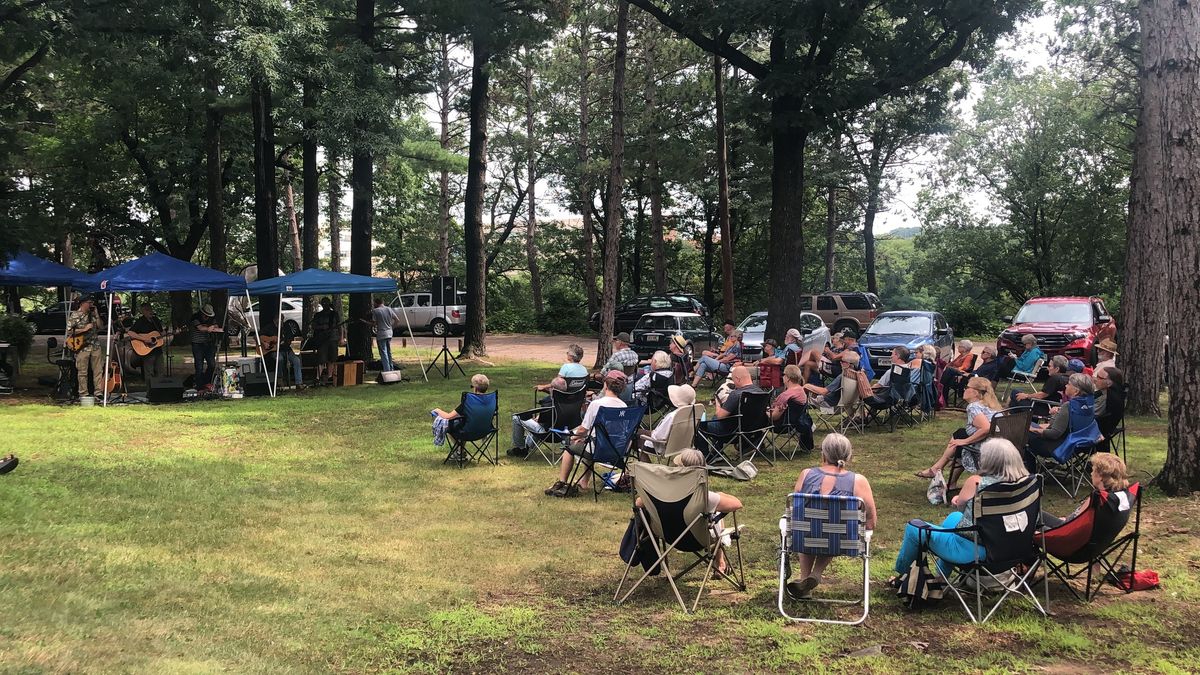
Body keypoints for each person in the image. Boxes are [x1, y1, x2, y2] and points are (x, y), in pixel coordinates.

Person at [892, 438, 1029, 578]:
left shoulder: (977, 483)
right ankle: (941, 577)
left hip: (978, 553)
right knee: (954, 518)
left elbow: (961, 509)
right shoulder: (1027, 484)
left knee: (914, 529)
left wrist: (959, 500)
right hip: (1013, 549)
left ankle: (902, 576)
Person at [784, 433, 877, 598]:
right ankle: (817, 573)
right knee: (834, 526)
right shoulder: (859, 481)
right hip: (841, 541)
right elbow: (870, 522)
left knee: (809, 524)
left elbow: (796, 511)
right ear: (848, 456)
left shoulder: (806, 474)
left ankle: (805, 578)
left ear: (823, 454)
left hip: (804, 537)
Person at [646, 448, 743, 575]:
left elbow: (638, 503)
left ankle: (720, 564)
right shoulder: (705, 498)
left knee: (712, 509)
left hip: (668, 536)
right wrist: (720, 494)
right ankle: (720, 564)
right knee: (716, 512)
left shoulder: (660, 493)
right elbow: (737, 504)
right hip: (698, 540)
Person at [545, 370, 628, 498]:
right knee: (587, 445)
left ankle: (562, 482)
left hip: (598, 448)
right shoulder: (624, 407)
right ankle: (584, 482)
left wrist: (575, 437)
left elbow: (583, 429)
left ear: (605, 384)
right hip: (617, 450)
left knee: (570, 449)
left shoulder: (597, 404)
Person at [915, 377, 1002, 490]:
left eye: (967, 387)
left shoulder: (974, 406)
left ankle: (937, 469)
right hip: (999, 444)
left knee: (959, 441)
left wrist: (965, 441)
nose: (964, 389)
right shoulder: (993, 406)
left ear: (975, 392)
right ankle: (945, 477)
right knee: (960, 435)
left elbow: (986, 428)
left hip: (986, 448)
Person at [1025, 373, 1096, 470]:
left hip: (1058, 447)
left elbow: (1054, 433)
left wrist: (1033, 430)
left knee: (1022, 432)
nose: (1066, 385)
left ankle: (1030, 472)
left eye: (1069, 384)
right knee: (1028, 427)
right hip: (1078, 445)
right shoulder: (1089, 405)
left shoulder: (1069, 406)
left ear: (1076, 391)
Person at [1040, 453, 1130, 528]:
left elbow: (1073, 523)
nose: (1091, 474)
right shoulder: (1116, 497)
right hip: (1081, 535)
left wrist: (1066, 521)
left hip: (1066, 536)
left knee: (1032, 516)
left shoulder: (1097, 499)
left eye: (1093, 471)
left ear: (1100, 477)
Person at [693, 365, 759, 458]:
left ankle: (705, 455)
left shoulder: (736, 395)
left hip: (731, 433)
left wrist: (718, 403)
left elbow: (720, 415)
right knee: (715, 419)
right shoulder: (760, 392)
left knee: (699, 425)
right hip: (752, 431)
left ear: (737, 379)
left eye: (734, 380)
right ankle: (717, 452)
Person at [509, 376, 568, 456]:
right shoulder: (570, 402)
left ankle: (520, 449)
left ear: (553, 389)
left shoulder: (549, 403)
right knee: (538, 425)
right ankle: (527, 445)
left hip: (547, 434)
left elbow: (541, 422)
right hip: (563, 434)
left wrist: (536, 419)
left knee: (516, 417)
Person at [637, 383, 697, 454]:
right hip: (681, 445)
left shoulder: (673, 416)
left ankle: (646, 463)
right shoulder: (693, 413)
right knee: (639, 432)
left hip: (660, 446)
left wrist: (651, 433)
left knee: (634, 434)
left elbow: (658, 437)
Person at [432, 373, 491, 438]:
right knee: (462, 424)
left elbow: (448, 416)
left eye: (472, 386)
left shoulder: (469, 402)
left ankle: (459, 448)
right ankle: (460, 447)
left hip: (467, 433)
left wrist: (438, 410)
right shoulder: (491, 401)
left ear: (475, 389)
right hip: (485, 431)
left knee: (449, 426)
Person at [66, 297, 103, 398]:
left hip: (95, 345)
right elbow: (69, 331)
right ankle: (83, 392)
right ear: (82, 303)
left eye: (92, 302)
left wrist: (97, 314)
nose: (91, 305)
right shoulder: (75, 315)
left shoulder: (93, 314)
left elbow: (100, 326)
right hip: (82, 346)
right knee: (82, 371)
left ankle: (98, 392)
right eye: (89, 303)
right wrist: (84, 329)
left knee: (98, 370)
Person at [125, 303, 166, 378]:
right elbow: (130, 332)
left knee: (161, 371)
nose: (150, 311)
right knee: (149, 372)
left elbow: (161, 332)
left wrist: (170, 333)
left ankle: (160, 388)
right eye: (147, 310)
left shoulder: (155, 320)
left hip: (158, 350)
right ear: (143, 311)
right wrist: (145, 339)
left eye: (150, 309)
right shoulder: (140, 321)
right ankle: (150, 389)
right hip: (147, 350)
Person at [261, 317, 303, 388]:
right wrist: (264, 343)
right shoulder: (269, 327)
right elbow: (256, 336)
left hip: (287, 350)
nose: (281, 320)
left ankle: (299, 383)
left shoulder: (286, 327)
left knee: (297, 360)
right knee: (279, 359)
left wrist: (294, 341)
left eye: (282, 319)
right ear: (275, 319)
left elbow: (291, 339)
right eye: (280, 319)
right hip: (275, 351)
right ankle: (279, 379)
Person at [188, 303, 221, 389]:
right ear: (202, 313)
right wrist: (209, 328)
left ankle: (207, 381)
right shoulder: (195, 317)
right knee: (199, 366)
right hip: (197, 344)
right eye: (206, 315)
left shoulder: (211, 318)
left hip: (208, 344)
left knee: (212, 364)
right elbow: (200, 328)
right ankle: (199, 386)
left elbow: (216, 326)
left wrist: (213, 326)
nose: (207, 317)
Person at [1094, 366, 1126, 452]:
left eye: (1099, 377)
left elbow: (1094, 414)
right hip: (1105, 431)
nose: (1095, 379)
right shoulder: (1118, 392)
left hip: (1096, 432)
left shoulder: (1108, 396)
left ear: (1109, 383)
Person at [311, 297, 340, 384]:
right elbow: (313, 326)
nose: (325, 305)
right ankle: (318, 377)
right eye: (323, 303)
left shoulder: (334, 314)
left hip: (333, 338)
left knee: (332, 358)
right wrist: (321, 327)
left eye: (327, 303)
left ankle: (330, 376)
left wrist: (341, 337)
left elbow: (339, 326)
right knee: (321, 358)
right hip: (322, 339)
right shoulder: (318, 315)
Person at [371, 297, 397, 372]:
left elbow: (374, 323)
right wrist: (391, 327)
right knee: (388, 351)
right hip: (389, 332)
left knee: (383, 352)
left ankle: (387, 370)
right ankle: (391, 368)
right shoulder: (389, 309)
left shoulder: (375, 311)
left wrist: (365, 322)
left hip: (381, 333)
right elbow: (397, 320)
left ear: (376, 303)